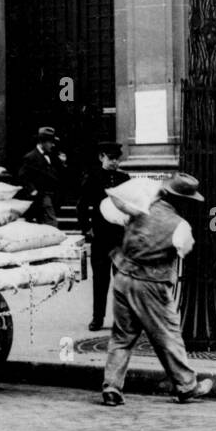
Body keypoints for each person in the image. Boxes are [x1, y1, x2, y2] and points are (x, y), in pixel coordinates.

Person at [99, 173, 215, 407]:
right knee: (167, 334)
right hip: (151, 283)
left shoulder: (142, 206)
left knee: (122, 336)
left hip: (123, 274)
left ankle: (112, 387)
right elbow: (185, 248)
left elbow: (113, 214)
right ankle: (186, 386)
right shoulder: (179, 225)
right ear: (184, 201)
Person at [78, 142, 129, 331]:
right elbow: (82, 205)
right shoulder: (93, 177)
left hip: (119, 236)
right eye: (110, 158)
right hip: (100, 235)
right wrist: (86, 228)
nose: (114, 162)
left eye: (117, 159)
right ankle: (97, 318)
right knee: (100, 280)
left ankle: (121, 320)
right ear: (101, 157)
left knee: (121, 281)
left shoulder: (124, 178)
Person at [19, 126, 66, 227]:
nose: (53, 145)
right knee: (51, 223)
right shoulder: (30, 157)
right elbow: (23, 176)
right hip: (41, 196)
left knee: (44, 223)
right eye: (50, 142)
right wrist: (33, 191)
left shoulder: (52, 156)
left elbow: (58, 173)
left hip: (53, 196)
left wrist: (63, 163)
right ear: (42, 142)